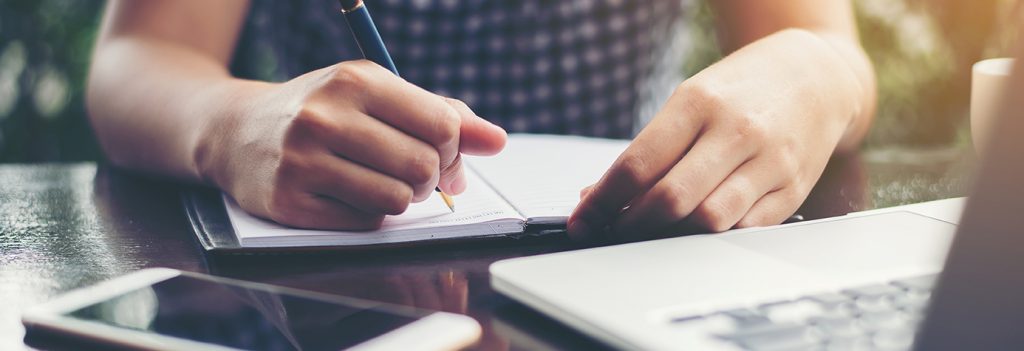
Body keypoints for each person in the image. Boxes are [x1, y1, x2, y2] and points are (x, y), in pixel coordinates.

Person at [87, 0, 875, 241]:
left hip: (629, 244)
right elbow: (138, 58)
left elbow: (830, 48)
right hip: (329, 279)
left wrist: (817, 69)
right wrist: (230, 122)